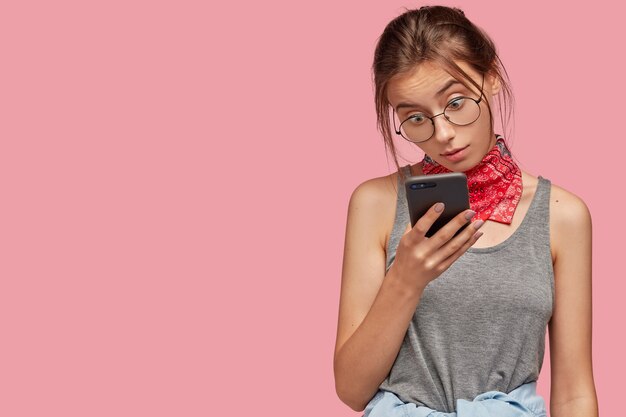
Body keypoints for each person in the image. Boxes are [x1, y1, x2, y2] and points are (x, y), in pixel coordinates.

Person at [333, 5, 598, 417]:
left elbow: (575, 392)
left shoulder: (563, 216)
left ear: (490, 77)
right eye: (415, 118)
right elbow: (351, 389)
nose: (443, 135)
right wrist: (405, 279)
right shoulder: (377, 204)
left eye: (456, 102)